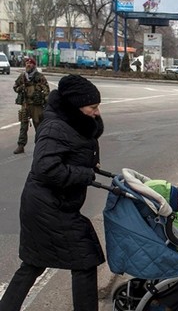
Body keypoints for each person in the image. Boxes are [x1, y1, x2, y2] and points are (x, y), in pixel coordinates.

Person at [0, 75, 105, 311]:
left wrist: (90, 165)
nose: (97, 113)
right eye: (93, 108)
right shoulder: (55, 126)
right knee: (84, 258)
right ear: (76, 106)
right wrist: (84, 173)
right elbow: (46, 168)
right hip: (49, 207)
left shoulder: (71, 122)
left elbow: (72, 151)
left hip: (51, 205)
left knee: (34, 263)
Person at [12, 57, 50, 154]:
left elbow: (46, 89)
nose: (28, 65)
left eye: (30, 63)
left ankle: (41, 146)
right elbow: (15, 87)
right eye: (27, 63)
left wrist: (45, 99)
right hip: (25, 104)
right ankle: (21, 145)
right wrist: (21, 88)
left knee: (39, 125)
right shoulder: (22, 77)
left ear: (34, 65)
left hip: (36, 105)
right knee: (23, 125)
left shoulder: (39, 77)